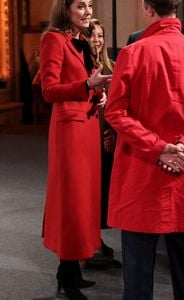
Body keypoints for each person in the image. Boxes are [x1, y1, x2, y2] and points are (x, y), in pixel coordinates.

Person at [104, 0, 184, 299]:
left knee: (137, 275)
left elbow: (116, 112)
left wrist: (159, 148)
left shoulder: (132, 53)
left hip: (141, 172)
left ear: (147, 8)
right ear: (177, 8)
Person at [39, 0, 111, 299]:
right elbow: (49, 90)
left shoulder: (81, 41)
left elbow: (85, 83)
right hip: (69, 132)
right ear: (65, 10)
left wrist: (99, 93)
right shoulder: (53, 39)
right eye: (80, 6)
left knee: (84, 201)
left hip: (87, 128)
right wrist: (85, 85)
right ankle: (68, 276)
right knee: (71, 201)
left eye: (90, 5)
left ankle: (69, 270)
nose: (88, 11)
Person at [82, 18, 116, 266]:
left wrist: (112, 132)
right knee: (88, 192)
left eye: (101, 35)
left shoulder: (112, 66)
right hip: (87, 136)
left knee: (103, 191)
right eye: (92, 35)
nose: (97, 40)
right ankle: (86, 243)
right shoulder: (82, 65)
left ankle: (96, 238)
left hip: (108, 137)